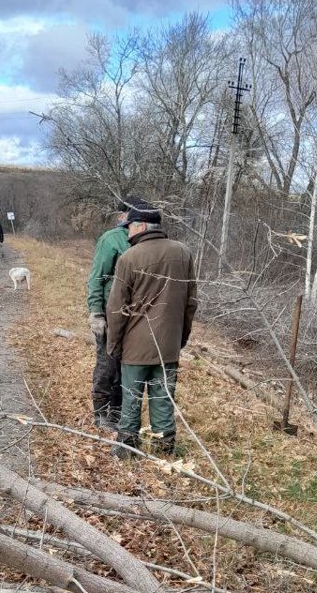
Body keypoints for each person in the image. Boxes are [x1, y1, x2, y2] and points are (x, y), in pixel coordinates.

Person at [106, 201, 198, 458]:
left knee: (131, 400)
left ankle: (126, 449)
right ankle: (164, 451)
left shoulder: (129, 258)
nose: (127, 233)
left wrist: (113, 345)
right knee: (163, 399)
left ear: (141, 226)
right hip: (168, 346)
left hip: (135, 347)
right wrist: (181, 338)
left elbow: (116, 309)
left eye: (129, 227)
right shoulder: (184, 253)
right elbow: (191, 302)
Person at [85, 196, 143, 430]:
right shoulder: (111, 239)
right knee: (107, 365)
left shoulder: (143, 240)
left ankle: (117, 412)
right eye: (126, 214)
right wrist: (96, 312)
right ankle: (100, 412)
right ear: (122, 216)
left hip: (135, 316)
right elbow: (96, 278)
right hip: (111, 315)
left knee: (125, 366)